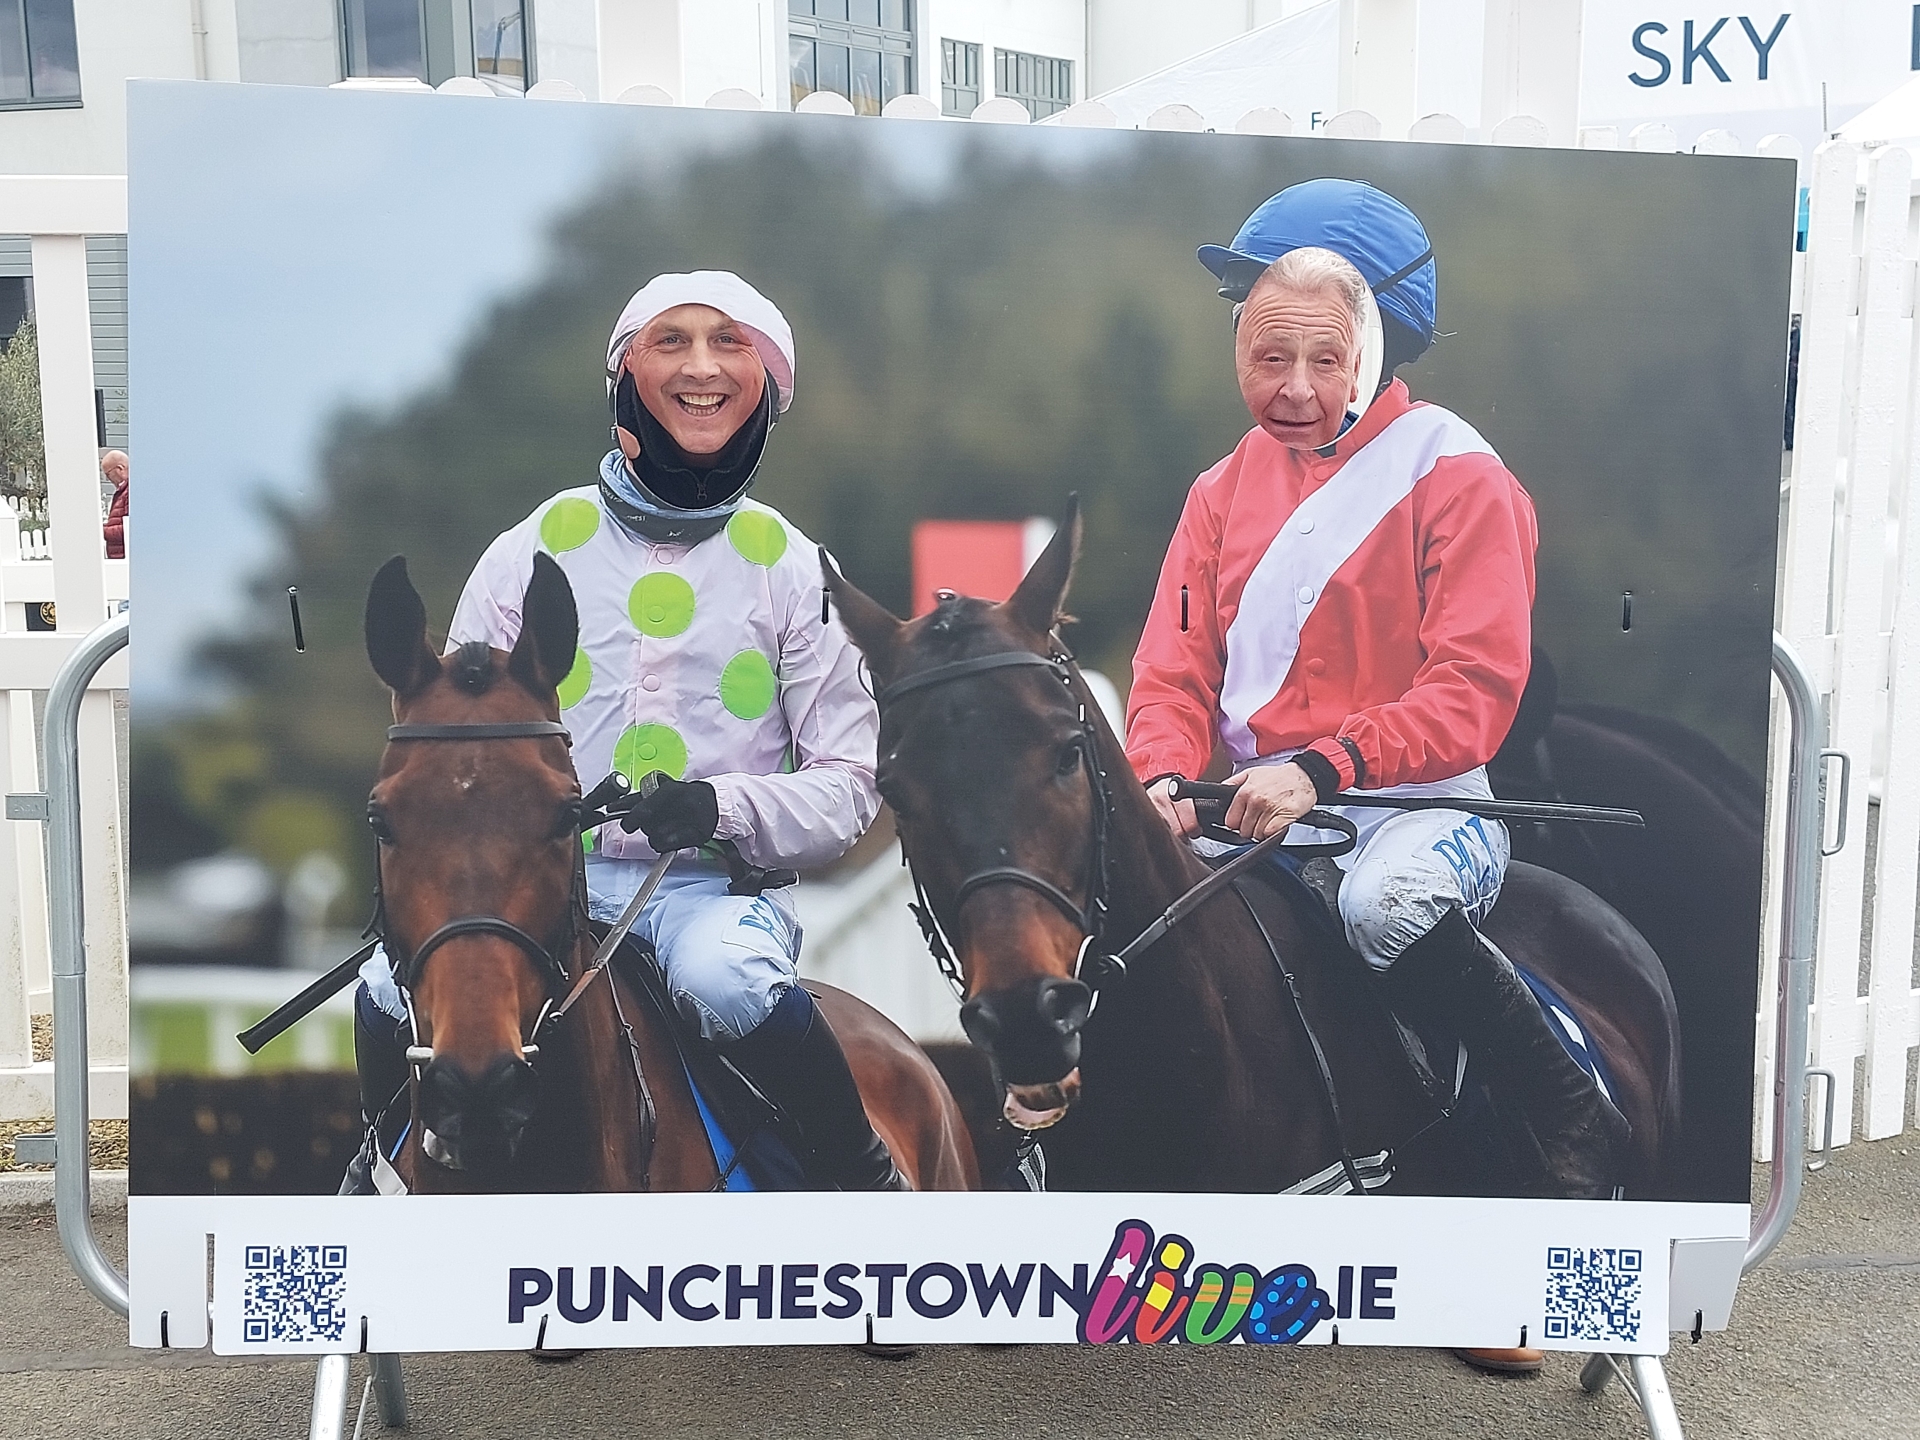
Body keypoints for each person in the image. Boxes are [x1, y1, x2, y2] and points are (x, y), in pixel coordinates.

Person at [343, 270, 906, 1193]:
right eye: (671, 341)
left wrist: (719, 808)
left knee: (725, 979)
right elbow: (454, 757)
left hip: (710, 898)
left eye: (728, 342)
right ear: (625, 376)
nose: (702, 366)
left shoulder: (796, 569)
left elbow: (850, 787)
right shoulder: (526, 550)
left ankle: (866, 1185)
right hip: (532, 892)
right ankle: (372, 1179)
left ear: (766, 384)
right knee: (380, 988)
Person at [1127, 180, 1629, 1202]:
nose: (1294, 385)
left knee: (1384, 907)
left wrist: (1323, 769)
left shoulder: (1461, 473)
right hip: (1251, 809)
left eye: (1324, 354)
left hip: (1419, 809)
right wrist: (1164, 776)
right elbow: (1172, 669)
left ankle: (1561, 1118)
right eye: (1266, 345)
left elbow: (1476, 688)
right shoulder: (1218, 492)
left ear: (1376, 337)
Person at [101, 450, 129, 558]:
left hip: (125, 558)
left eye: (108, 474)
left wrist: (102, 531)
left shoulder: (131, 491)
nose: (108, 479)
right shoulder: (123, 492)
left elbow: (130, 528)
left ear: (120, 468)